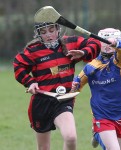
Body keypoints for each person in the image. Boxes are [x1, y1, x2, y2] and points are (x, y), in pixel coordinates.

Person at [13, 6, 101, 150]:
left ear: (58, 29)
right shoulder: (33, 50)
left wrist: (83, 52)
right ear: (38, 34)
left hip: (63, 101)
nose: (49, 35)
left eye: (51, 30)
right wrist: (30, 82)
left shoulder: (70, 43)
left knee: (71, 137)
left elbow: (95, 43)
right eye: (44, 32)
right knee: (44, 148)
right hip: (41, 103)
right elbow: (18, 66)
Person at [72, 28, 121, 150]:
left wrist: (117, 44)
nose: (107, 45)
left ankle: (97, 136)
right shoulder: (92, 66)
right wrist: (75, 84)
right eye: (104, 42)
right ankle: (99, 132)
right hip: (102, 115)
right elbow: (78, 81)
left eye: (110, 42)